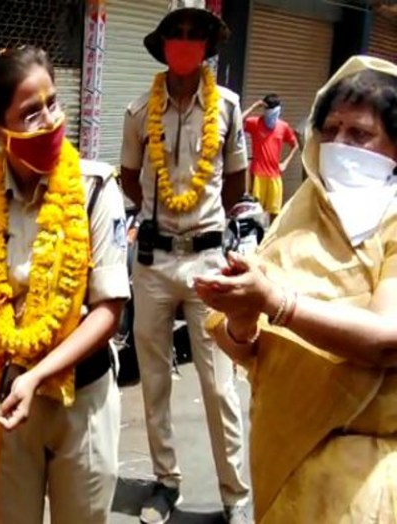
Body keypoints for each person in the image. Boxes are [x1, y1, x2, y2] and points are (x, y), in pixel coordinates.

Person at [195, 55, 397, 523]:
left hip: (365, 480)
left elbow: (387, 340)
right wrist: (242, 315)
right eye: (330, 130)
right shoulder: (297, 216)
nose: (338, 144)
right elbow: (250, 354)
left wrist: (277, 302)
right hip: (283, 466)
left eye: (360, 134)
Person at [0, 45, 129, 524]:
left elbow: (109, 310)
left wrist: (39, 374)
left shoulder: (97, 189)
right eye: (30, 113)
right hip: (12, 402)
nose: (50, 120)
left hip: (84, 399)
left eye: (53, 103)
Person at [119, 4, 251, 523]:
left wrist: (203, 216)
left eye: (196, 35)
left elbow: (236, 182)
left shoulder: (230, 109)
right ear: (164, 43)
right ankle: (165, 481)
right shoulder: (136, 112)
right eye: (177, 33)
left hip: (208, 262)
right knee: (153, 380)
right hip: (152, 263)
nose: (186, 41)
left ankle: (235, 498)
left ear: (208, 47)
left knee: (219, 387)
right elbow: (130, 179)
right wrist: (159, 211)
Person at [241, 93, 300, 218]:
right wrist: (253, 107)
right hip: (258, 175)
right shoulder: (255, 123)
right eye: (267, 109)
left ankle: (270, 236)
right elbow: (238, 122)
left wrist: (285, 163)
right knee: (255, 212)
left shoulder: (283, 126)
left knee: (274, 213)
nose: (270, 113)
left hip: (275, 175)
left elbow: (295, 144)